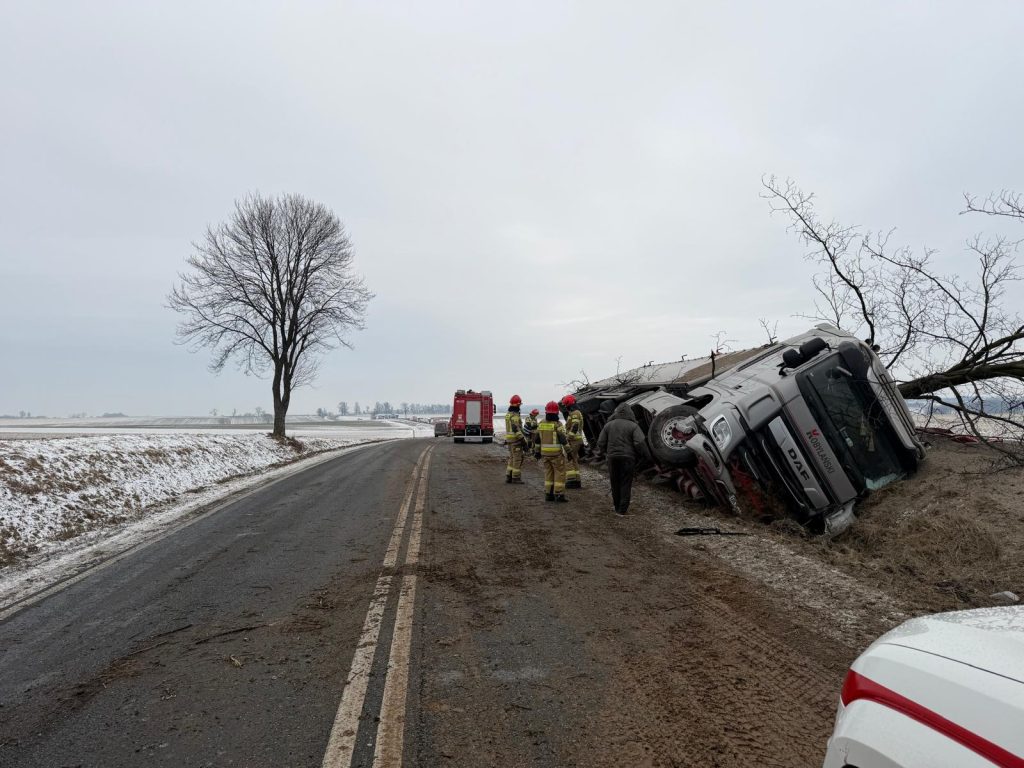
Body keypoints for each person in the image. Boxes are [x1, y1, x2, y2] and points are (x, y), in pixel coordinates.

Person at [596, 402, 652, 515]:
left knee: (614, 482)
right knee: (625, 483)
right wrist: (647, 457)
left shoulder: (608, 425)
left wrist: (605, 452)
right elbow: (640, 443)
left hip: (612, 458)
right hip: (628, 458)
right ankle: (622, 510)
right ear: (630, 413)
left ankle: (616, 507)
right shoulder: (633, 426)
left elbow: (600, 442)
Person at [535, 400, 569, 502]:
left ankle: (548, 494)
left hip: (544, 454)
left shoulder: (541, 423)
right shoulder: (558, 424)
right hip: (556, 455)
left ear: (546, 412)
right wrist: (569, 452)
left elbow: (537, 439)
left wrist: (537, 452)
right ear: (557, 413)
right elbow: (563, 440)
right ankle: (559, 494)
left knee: (548, 473)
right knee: (559, 473)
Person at [561, 394, 585, 488]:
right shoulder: (575, 413)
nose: (565, 407)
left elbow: (575, 426)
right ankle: (577, 481)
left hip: (574, 441)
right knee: (574, 460)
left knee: (568, 458)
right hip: (576, 440)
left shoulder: (575, 413)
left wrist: (568, 438)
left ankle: (571, 481)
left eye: (565, 405)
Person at [504, 394, 525, 483]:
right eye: (519, 405)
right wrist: (523, 440)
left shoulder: (508, 414)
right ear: (517, 404)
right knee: (517, 459)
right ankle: (516, 477)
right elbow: (516, 429)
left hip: (509, 440)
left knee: (512, 458)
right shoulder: (515, 416)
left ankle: (509, 476)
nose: (520, 406)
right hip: (516, 440)